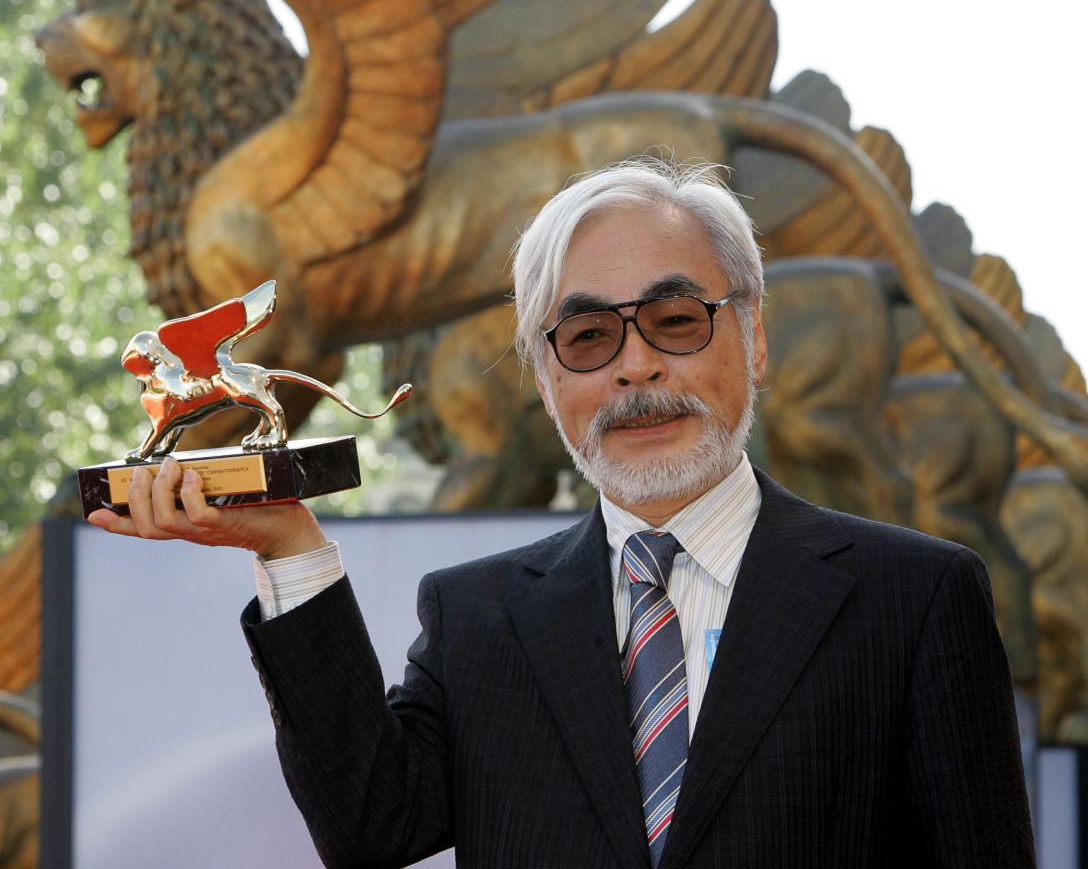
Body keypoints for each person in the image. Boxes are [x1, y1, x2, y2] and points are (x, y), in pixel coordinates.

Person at [89, 159, 1037, 868]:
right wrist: (289, 550)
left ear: (752, 336)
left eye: (675, 322)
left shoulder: (913, 601)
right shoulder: (480, 622)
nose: (634, 367)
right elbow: (370, 826)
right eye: (586, 337)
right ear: (546, 381)